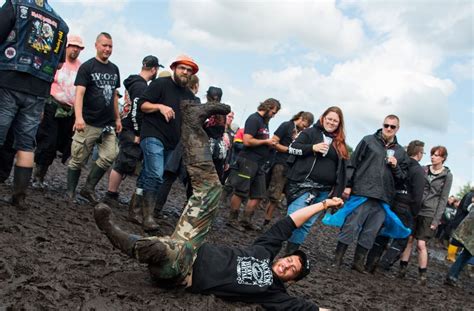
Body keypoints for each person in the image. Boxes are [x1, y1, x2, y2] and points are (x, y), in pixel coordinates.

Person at [95, 163, 343, 311]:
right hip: (191, 244)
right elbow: (288, 223)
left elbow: (312, 309)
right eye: (290, 260)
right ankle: (194, 129)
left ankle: (115, 233)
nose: (288, 264)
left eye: (293, 270)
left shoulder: (273, 293)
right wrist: (323, 205)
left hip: (181, 271)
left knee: (165, 251)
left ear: (291, 280)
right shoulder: (264, 251)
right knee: (207, 196)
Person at [0, 0, 68, 208]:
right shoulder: (61, 24)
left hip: (8, 79)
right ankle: (19, 196)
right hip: (38, 88)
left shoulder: (15, 5)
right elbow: (60, 61)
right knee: (26, 143)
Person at [333, 114, 409, 273]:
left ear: (397, 129)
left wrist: (395, 166)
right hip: (362, 191)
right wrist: (348, 185)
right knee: (350, 226)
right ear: (382, 125)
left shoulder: (401, 152)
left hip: (383, 198)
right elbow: (353, 163)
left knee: (370, 232)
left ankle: (357, 263)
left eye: (392, 126)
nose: (388, 128)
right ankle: (338, 259)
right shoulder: (368, 141)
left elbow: (402, 178)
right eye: (386, 125)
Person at [138, 55, 198, 231]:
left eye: (189, 70)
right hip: (152, 134)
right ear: (174, 68)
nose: (185, 72)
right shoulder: (160, 84)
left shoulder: (189, 97)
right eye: (182, 68)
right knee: (156, 174)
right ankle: (148, 217)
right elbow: (142, 104)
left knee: (149, 174)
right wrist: (160, 107)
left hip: (172, 142)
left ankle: (135, 208)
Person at [283, 107, 348, 253]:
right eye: (329, 119)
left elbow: (342, 171)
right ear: (323, 118)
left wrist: (337, 192)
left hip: (324, 191)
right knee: (294, 219)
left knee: (306, 224)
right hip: (303, 185)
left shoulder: (340, 142)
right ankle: (271, 246)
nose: (331, 122)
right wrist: (312, 147)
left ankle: (290, 254)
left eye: (335, 121)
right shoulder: (310, 132)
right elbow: (292, 148)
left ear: (339, 124)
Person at [66, 32, 121, 202]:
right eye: (104, 45)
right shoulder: (87, 67)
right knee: (78, 159)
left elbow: (114, 96)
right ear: (96, 45)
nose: (107, 49)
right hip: (89, 121)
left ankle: (88, 188)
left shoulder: (114, 69)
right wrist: (78, 118)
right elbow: (80, 94)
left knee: (109, 155)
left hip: (108, 124)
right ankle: (70, 193)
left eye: (110, 46)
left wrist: (118, 118)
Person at [103, 55, 162, 207]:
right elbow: (137, 110)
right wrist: (137, 133)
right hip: (131, 127)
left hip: (126, 124)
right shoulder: (141, 86)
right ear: (154, 69)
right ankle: (111, 194)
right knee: (124, 161)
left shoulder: (134, 82)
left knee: (125, 161)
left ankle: (112, 193)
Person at [32, 34, 85, 188]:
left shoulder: (81, 68)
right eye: (73, 46)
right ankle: (37, 176)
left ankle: (41, 174)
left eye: (78, 47)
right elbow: (46, 82)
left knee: (60, 144)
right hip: (52, 105)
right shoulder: (57, 63)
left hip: (70, 110)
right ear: (66, 46)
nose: (75, 49)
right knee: (48, 141)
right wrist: (40, 106)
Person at [365, 140, 426, 272]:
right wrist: (414, 213)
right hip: (406, 207)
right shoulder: (418, 171)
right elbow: (417, 195)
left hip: (390, 203)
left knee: (383, 233)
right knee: (401, 239)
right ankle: (383, 266)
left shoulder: (399, 165)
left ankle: (370, 263)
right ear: (419, 153)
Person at [399, 146, 453, 284]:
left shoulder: (447, 175)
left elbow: (443, 199)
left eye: (436, 155)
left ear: (443, 158)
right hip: (416, 208)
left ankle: (422, 275)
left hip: (430, 212)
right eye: (432, 154)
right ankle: (402, 270)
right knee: (409, 239)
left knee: (421, 244)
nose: (433, 157)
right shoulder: (423, 169)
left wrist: (436, 220)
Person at [227, 99, 281, 230]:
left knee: (258, 194)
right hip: (247, 160)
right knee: (240, 191)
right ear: (268, 107)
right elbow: (247, 141)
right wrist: (266, 142)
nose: (273, 116)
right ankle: (232, 219)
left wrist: (270, 144)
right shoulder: (253, 119)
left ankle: (246, 220)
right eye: (273, 112)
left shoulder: (265, 122)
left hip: (259, 163)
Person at [262, 111, 314, 231]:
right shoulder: (286, 125)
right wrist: (291, 150)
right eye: (306, 125)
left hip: (293, 168)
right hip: (281, 163)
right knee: (275, 195)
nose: (306, 128)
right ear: (301, 118)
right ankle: (265, 222)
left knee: (286, 196)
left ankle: (273, 223)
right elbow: (274, 142)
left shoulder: (303, 133)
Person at [445, 198, 473, 286]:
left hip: (467, 230)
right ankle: (452, 275)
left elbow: (469, 208)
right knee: (467, 254)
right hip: (471, 233)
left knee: (466, 254)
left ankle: (453, 275)